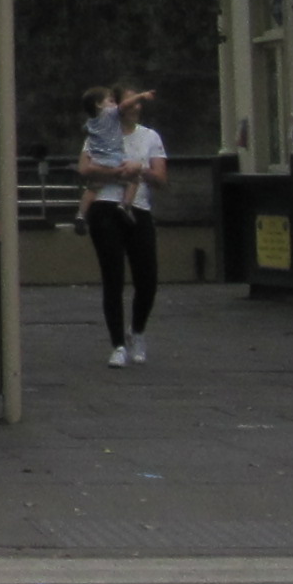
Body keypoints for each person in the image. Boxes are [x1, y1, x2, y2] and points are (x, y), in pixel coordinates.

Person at [85, 81, 168, 369]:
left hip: (138, 209)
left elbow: (161, 178)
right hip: (105, 206)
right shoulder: (102, 131)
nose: (136, 107)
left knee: (147, 278)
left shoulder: (150, 137)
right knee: (113, 277)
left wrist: (140, 169)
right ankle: (117, 344)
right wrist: (116, 172)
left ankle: (137, 330)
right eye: (130, 102)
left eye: (138, 102)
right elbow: (85, 168)